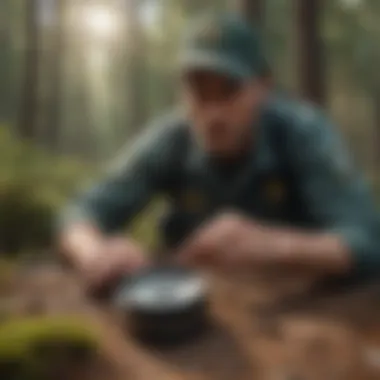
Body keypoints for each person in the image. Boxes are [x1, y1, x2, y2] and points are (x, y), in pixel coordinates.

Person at [58, 12, 380, 292]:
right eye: (199, 93)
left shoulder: (303, 132)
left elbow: (366, 241)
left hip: (310, 310)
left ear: (263, 87)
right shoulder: (171, 138)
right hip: (194, 318)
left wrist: (271, 245)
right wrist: (95, 253)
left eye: (229, 91)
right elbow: (82, 211)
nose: (213, 114)